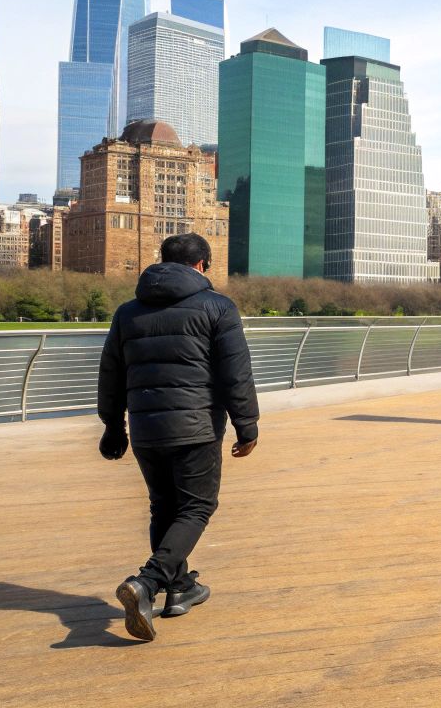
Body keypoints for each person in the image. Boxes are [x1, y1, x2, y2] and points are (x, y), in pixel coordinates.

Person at [97, 233, 259, 642]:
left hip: (148, 430)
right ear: (203, 264)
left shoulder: (127, 312)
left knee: (162, 506)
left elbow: (111, 374)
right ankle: (148, 583)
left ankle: (180, 588)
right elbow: (235, 374)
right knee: (197, 506)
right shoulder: (217, 307)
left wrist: (113, 427)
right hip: (196, 426)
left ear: (162, 261)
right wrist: (248, 426)